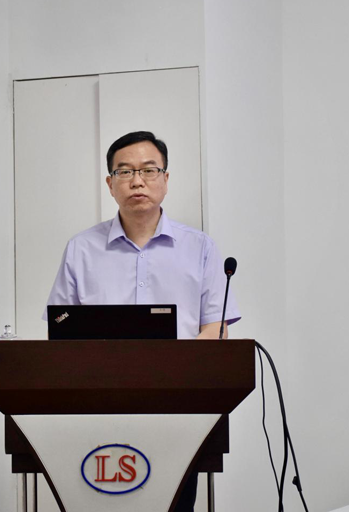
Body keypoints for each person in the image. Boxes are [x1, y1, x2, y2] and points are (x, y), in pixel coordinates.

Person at [43, 130, 241, 509]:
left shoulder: (200, 247)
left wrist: (178, 373)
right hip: (97, 408)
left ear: (166, 179)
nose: (137, 181)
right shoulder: (81, 249)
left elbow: (215, 327)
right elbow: (61, 330)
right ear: (110, 184)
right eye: (125, 172)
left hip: (180, 408)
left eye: (149, 170)